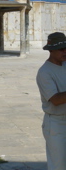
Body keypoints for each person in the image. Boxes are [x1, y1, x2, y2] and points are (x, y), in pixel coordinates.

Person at [36, 32, 66, 170]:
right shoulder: (44, 72)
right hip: (56, 124)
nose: (65, 52)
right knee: (58, 165)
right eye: (61, 49)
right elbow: (55, 100)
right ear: (51, 50)